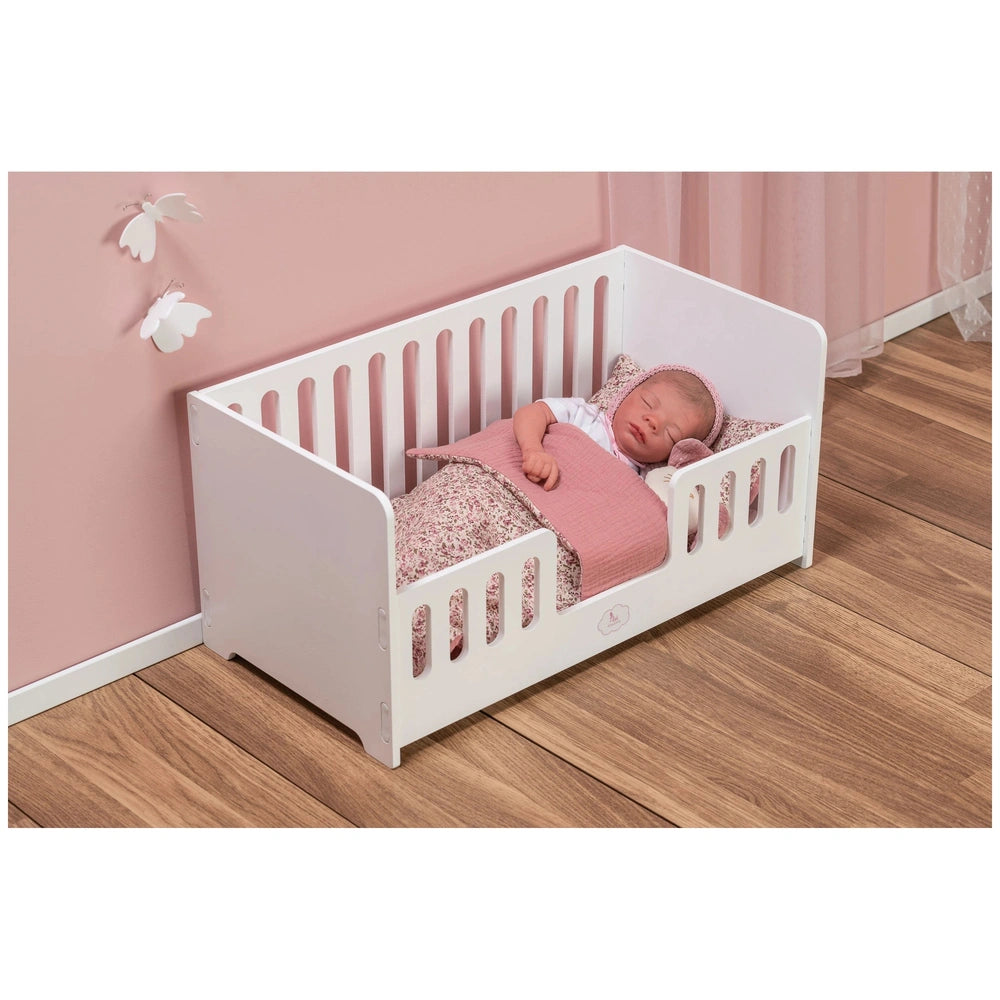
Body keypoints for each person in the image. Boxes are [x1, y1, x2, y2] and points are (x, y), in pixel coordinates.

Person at [512, 364, 724, 491]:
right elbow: (532, 413)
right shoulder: (585, 415)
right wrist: (533, 449)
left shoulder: (641, 483)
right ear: (627, 393)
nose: (653, 421)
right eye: (648, 403)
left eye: (671, 433)